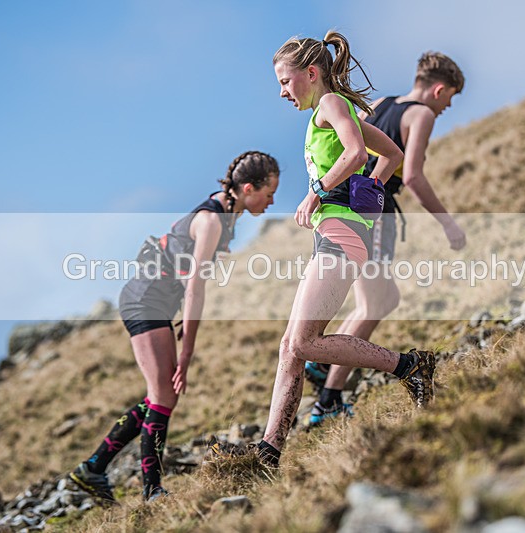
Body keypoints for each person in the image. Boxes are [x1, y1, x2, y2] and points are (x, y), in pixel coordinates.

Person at [210, 31, 437, 469]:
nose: (281, 91)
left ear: (310, 73)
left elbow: (355, 153)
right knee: (290, 348)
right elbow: (387, 152)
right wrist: (370, 190)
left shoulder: (332, 105)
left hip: (341, 236)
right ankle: (269, 453)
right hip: (334, 234)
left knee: (305, 342)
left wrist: (320, 190)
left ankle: (410, 365)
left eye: (285, 80)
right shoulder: (329, 112)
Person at [68, 151, 279, 502]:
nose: (272, 200)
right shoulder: (212, 221)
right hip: (145, 300)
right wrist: (187, 353)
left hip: (156, 303)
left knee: (159, 395)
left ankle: (93, 468)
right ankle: (152, 491)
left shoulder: (225, 213)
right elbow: (195, 287)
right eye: (269, 192)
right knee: (165, 394)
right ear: (247, 188)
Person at [306, 51, 468, 426]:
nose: (447, 107)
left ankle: (323, 372)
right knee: (372, 305)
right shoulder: (421, 114)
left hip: (346, 206)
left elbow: (345, 141)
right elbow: (411, 175)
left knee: (383, 299)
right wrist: (448, 224)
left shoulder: (378, 104)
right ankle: (327, 394)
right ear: (439, 89)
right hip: (373, 211)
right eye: (450, 98)